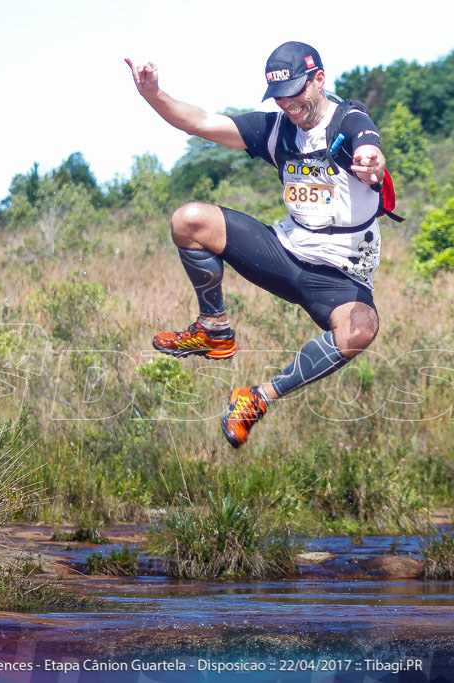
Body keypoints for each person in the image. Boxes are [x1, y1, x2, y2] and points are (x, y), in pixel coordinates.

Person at [124, 41, 387, 448]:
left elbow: (366, 140)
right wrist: (153, 94)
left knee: (360, 330)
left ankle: (256, 399)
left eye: (296, 92)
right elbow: (200, 123)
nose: (288, 105)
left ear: (319, 80)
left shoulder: (347, 120)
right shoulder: (276, 130)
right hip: (285, 252)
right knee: (188, 220)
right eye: (279, 97)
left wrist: (371, 157)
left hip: (339, 275)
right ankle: (213, 329)